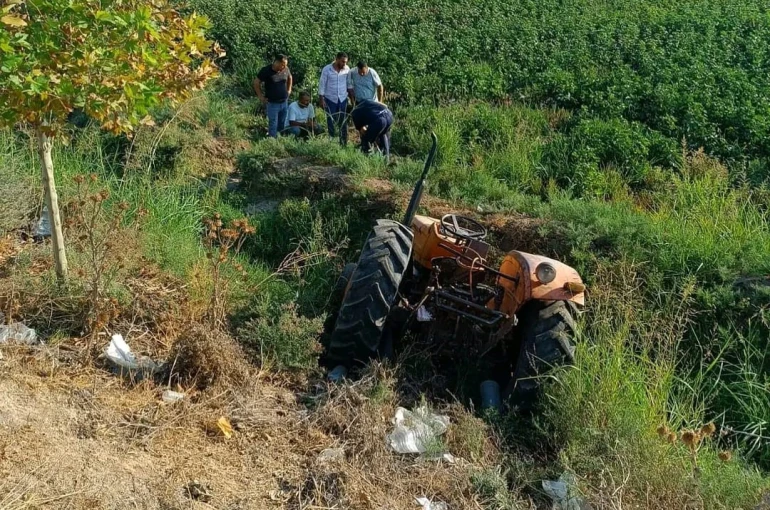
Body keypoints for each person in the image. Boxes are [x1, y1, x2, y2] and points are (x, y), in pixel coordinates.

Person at [254, 54, 292, 138]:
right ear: (277, 62)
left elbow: (290, 77)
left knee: (282, 122)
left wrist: (289, 90)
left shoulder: (286, 69)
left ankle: (280, 138)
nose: (285, 67)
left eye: (285, 65)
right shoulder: (266, 70)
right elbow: (256, 83)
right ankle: (272, 140)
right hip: (272, 103)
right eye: (283, 65)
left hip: (284, 101)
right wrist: (261, 97)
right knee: (273, 123)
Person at [318, 52, 350, 145]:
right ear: (336, 59)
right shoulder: (327, 69)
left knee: (343, 121)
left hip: (343, 98)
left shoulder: (347, 69)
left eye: (345, 62)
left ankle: (343, 143)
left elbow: (349, 83)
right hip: (330, 99)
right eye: (342, 62)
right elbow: (322, 84)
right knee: (331, 121)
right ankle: (332, 142)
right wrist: (321, 99)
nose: (344, 64)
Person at [351, 99, 393, 163]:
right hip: (389, 115)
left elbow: (362, 131)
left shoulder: (355, 114)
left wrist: (369, 138)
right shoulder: (367, 102)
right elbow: (385, 105)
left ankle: (367, 160)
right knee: (383, 134)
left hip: (380, 121)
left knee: (366, 140)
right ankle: (386, 159)